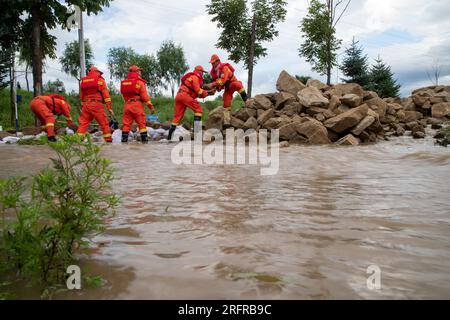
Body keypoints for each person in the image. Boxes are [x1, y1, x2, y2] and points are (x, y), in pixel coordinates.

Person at [168, 66, 215, 141]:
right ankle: (196, 132)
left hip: (179, 96)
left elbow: (197, 93)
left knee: (177, 117)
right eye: (202, 72)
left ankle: (169, 137)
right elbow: (198, 91)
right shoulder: (195, 77)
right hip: (185, 95)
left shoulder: (190, 77)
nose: (202, 74)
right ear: (199, 71)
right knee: (198, 110)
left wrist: (207, 93)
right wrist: (208, 93)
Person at [77, 66, 115, 143]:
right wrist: (109, 107)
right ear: (97, 72)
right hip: (97, 104)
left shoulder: (83, 81)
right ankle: (108, 140)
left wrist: (82, 104)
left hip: (86, 105)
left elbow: (81, 95)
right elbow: (106, 95)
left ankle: (78, 140)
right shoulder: (100, 81)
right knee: (104, 123)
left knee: (83, 123)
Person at [120, 65, 155, 143]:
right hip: (137, 106)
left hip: (127, 105)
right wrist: (151, 107)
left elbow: (123, 95)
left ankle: (123, 142)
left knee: (126, 125)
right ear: (136, 72)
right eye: (139, 71)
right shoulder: (139, 82)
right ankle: (144, 142)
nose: (140, 72)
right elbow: (145, 96)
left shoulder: (125, 83)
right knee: (142, 124)